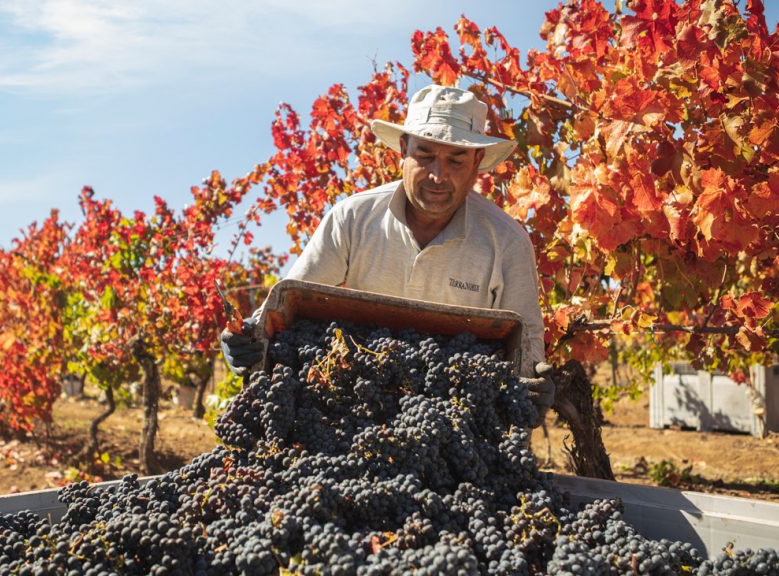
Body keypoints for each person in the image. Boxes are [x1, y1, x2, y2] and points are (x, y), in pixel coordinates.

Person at [222, 84, 553, 426]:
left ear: (477, 162)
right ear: (403, 149)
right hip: (350, 408)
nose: (438, 176)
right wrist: (247, 339)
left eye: (456, 160)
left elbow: (525, 340)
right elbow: (285, 307)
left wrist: (530, 388)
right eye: (425, 155)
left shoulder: (506, 241)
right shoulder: (352, 219)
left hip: (451, 420)